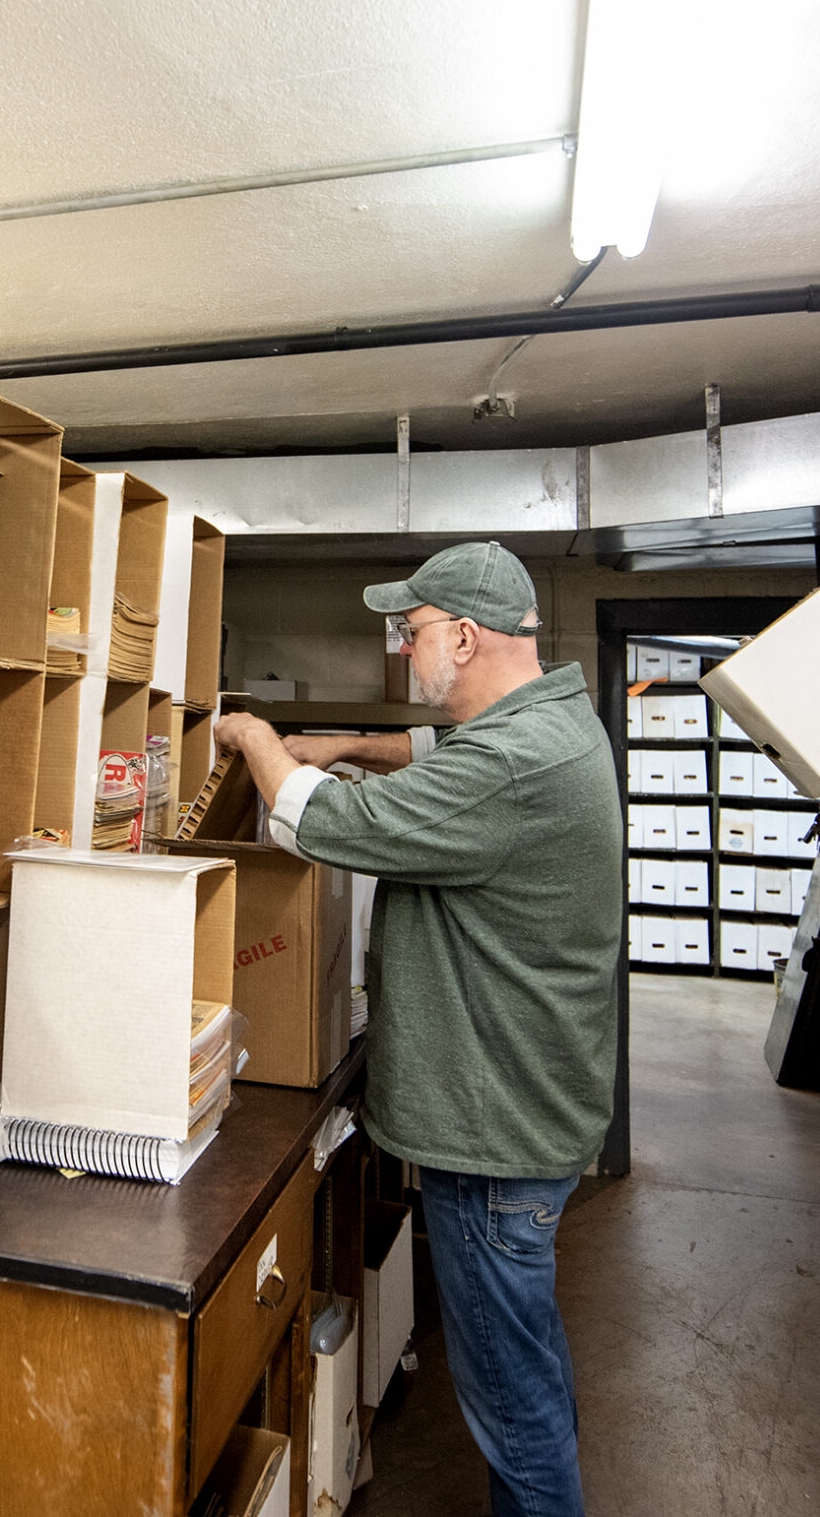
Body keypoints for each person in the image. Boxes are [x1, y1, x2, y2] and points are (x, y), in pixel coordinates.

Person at [213, 541, 623, 1517]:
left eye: (413, 631)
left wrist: (262, 740)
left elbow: (314, 821)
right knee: (527, 1368)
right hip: (529, 1116)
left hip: (494, 1136)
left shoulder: (514, 766)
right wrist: (347, 741)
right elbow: (446, 757)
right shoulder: (555, 720)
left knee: (510, 1409)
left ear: (466, 635)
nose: (403, 649)